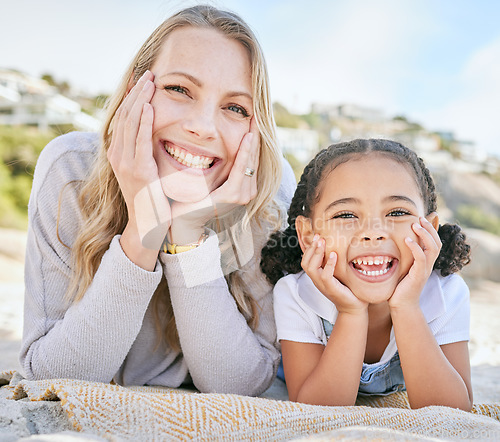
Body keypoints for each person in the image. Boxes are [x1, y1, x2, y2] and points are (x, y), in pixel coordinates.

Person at [20, 5, 296, 396]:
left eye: (235, 108)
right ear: (136, 89)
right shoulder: (71, 171)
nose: (201, 127)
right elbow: (53, 379)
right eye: (179, 89)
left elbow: (241, 385)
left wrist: (187, 234)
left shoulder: (267, 190)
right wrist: (144, 229)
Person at [261, 139, 473, 410]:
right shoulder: (296, 293)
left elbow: (455, 412)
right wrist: (350, 312)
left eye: (397, 212)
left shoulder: (447, 293)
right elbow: (315, 410)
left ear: (429, 228)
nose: (373, 232)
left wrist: (407, 307)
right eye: (346, 215)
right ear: (308, 234)